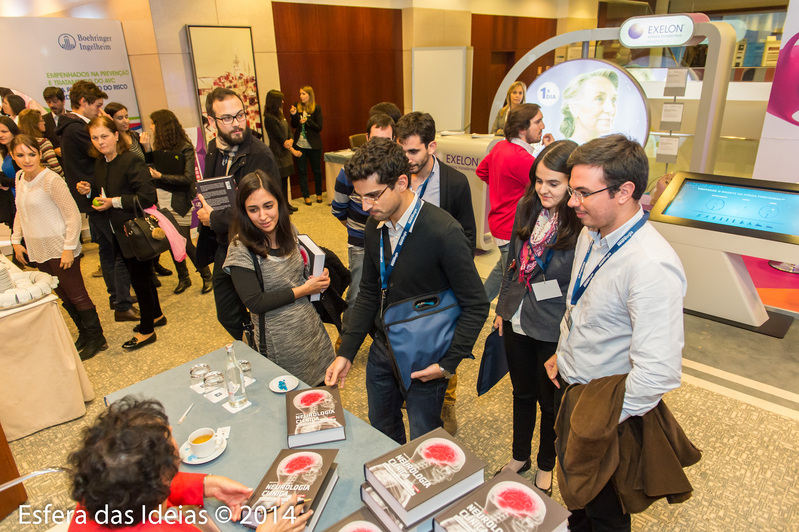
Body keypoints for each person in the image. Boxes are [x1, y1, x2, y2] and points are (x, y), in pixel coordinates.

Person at [545, 135, 688, 531]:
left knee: (605, 511)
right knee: (578, 502)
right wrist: (565, 350)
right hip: (574, 388)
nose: (572, 202)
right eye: (572, 190)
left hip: (607, 408)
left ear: (625, 191)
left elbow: (658, 371)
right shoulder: (593, 231)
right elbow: (581, 305)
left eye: (583, 193)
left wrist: (600, 418)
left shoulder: (651, 266)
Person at [325, 138, 488, 445]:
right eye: (360, 197)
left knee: (423, 435)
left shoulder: (443, 232)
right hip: (384, 345)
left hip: (425, 355)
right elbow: (370, 294)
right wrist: (347, 351)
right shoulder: (375, 226)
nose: (365, 207)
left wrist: (447, 363)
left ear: (401, 182)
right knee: (382, 425)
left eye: (373, 196)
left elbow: (476, 304)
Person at [67, 396, 312, 531]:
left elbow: (136, 485)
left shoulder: (101, 490)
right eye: (169, 438)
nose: (174, 435)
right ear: (162, 476)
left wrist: (207, 485)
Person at [492, 140, 581, 495]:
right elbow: (511, 263)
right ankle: (519, 457)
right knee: (521, 392)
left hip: (551, 326)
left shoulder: (582, 225)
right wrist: (502, 308)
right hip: (516, 316)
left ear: (572, 184)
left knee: (550, 403)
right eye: (539, 181)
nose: (543, 189)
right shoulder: (527, 206)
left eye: (553, 183)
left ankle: (546, 465)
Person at [395, 111, 477, 435]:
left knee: (444, 344)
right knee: (407, 338)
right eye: (402, 152)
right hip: (404, 280)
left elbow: (467, 235)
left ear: (432, 146)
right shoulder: (396, 177)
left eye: (413, 152)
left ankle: (448, 401)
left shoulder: (454, 183)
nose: (407, 159)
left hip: (443, 285)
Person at [223, 170, 335, 386]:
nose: (263, 216)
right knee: (293, 404)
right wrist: (304, 290)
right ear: (244, 212)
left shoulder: (290, 231)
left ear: (279, 203)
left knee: (325, 399)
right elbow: (255, 302)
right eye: (253, 210)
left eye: (268, 206)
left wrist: (319, 280)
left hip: (312, 332)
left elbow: (299, 275)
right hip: (280, 342)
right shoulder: (240, 249)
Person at [10, 134, 106, 359]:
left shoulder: (51, 179)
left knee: (77, 294)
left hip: (59, 245)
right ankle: (84, 334)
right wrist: (16, 240)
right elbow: (20, 211)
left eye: (32, 154)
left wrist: (68, 248)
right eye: (21, 155)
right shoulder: (19, 177)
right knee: (62, 294)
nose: (27, 159)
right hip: (38, 248)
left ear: (40, 154)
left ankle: (97, 337)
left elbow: (72, 215)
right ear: (13, 156)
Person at [195, 87, 280, 340]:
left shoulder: (260, 154)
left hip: (254, 244)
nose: (237, 124)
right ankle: (250, 343)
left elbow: (260, 207)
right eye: (227, 118)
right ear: (211, 121)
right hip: (226, 243)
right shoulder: (214, 148)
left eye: (240, 115)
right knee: (228, 314)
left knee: (261, 308)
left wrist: (214, 218)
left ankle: (259, 349)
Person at [78, 116, 164, 350]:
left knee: (140, 281)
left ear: (116, 135)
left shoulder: (131, 161)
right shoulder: (101, 163)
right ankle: (156, 315)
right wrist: (89, 192)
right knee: (142, 277)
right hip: (117, 231)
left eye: (104, 136)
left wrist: (113, 202)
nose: (100, 142)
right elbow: (102, 193)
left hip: (135, 232)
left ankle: (147, 331)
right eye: (95, 138)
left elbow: (147, 197)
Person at [58, 80, 138, 323]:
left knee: (107, 249)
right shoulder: (77, 129)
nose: (99, 111)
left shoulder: (68, 127)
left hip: (92, 197)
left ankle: (117, 297)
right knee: (117, 250)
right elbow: (106, 156)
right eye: (98, 106)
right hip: (99, 198)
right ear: (83, 103)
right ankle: (121, 302)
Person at [477, 103, 553, 303]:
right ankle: (499, 324)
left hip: (500, 225)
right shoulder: (523, 159)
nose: (543, 126)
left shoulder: (501, 147)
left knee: (501, 273)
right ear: (522, 129)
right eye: (538, 122)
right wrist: (551, 152)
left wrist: (503, 189)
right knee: (512, 286)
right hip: (512, 229)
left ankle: (475, 307)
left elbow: (482, 171)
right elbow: (546, 192)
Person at [331, 113, 395, 346]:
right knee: (358, 293)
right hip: (360, 242)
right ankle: (346, 335)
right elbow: (338, 209)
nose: (380, 147)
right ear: (366, 138)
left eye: (387, 140)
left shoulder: (395, 170)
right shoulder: (349, 171)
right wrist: (361, 230)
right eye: (376, 140)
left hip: (390, 241)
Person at [142, 108, 213, 295]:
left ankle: (207, 275)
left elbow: (188, 178)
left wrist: (161, 176)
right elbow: (152, 168)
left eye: (153, 123)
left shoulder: (185, 148)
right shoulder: (159, 147)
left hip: (180, 202)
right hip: (162, 200)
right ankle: (184, 278)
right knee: (172, 241)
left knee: (184, 242)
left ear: (162, 126)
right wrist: (148, 151)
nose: (150, 127)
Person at [262, 89, 300, 212]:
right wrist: (292, 148)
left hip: (286, 153)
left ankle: (286, 204)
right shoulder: (269, 118)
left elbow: (289, 131)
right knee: (279, 182)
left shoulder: (280, 115)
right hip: (278, 154)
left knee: (285, 181)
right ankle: (281, 206)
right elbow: (279, 138)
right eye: (280, 100)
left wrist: (291, 140)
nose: (282, 102)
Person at [559, 69, 618, 145]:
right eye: (599, 99)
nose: (611, 109)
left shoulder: (613, 152)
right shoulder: (564, 154)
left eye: (613, 100)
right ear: (574, 108)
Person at [289, 85, 323, 205]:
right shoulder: (297, 107)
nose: (301, 96)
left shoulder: (316, 108)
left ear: (309, 95)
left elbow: (319, 127)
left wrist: (308, 120)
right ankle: (306, 196)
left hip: (314, 144)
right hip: (300, 144)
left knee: (316, 170)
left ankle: (319, 193)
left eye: (303, 94)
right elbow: (294, 125)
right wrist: (293, 115)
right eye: (300, 94)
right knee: (302, 171)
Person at [17, 109, 64, 177]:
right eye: (41, 120)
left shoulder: (20, 143)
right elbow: (56, 168)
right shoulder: (43, 143)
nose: (44, 122)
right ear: (35, 124)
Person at [0, 116, 19, 230]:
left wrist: (5, 182)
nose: (1, 135)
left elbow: (24, 178)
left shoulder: (19, 150)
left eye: (4, 131)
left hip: (22, 198)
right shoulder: (5, 152)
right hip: (12, 199)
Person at [42, 86, 65, 157]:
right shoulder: (43, 121)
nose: (52, 105)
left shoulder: (74, 117)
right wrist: (54, 150)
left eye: (55, 101)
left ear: (63, 101)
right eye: (49, 102)